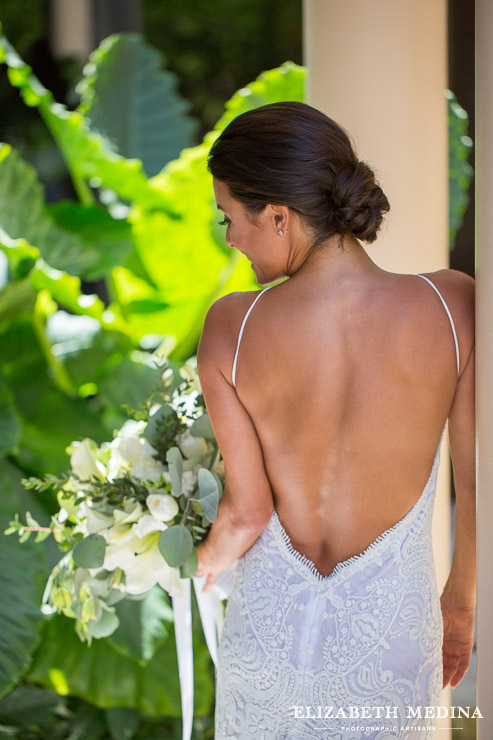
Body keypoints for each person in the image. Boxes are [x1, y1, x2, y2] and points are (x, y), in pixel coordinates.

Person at [194, 102, 475, 739]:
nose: (231, 239)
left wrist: (197, 562)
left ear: (279, 215)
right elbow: (476, 477)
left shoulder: (231, 328)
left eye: (230, 220)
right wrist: (460, 603)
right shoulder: (454, 305)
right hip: (393, 635)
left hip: (265, 636)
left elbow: (246, 515)